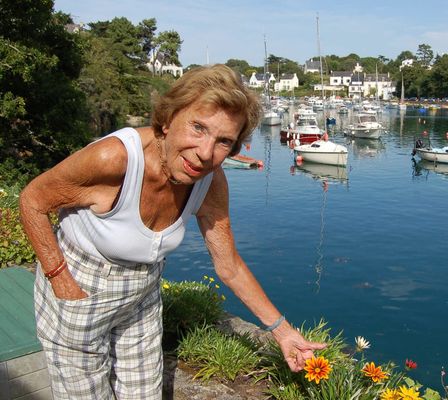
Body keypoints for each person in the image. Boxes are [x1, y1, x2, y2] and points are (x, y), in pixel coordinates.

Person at [19, 64, 326, 399]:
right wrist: (59, 277)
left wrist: (282, 332)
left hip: (141, 298)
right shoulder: (114, 159)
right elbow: (33, 199)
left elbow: (229, 265)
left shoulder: (210, 180)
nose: (206, 153)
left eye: (224, 141)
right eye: (198, 128)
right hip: (81, 286)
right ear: (168, 119)